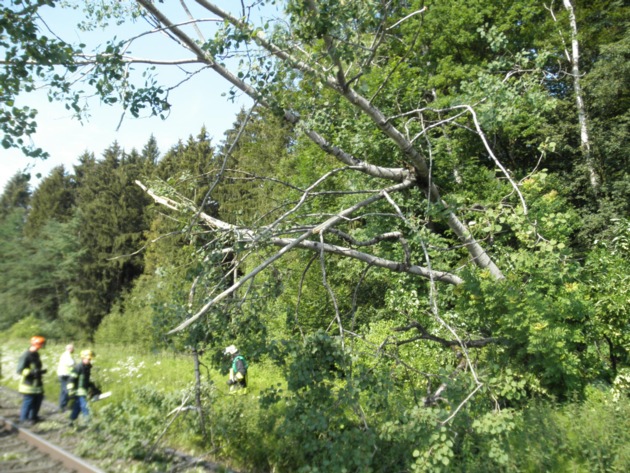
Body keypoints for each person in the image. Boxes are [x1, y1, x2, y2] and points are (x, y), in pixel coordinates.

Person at [16, 336, 47, 424]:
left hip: (37, 383)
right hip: (28, 383)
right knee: (28, 401)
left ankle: (33, 417)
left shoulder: (36, 354)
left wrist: (41, 371)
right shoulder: (25, 355)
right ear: (35, 344)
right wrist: (32, 372)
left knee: (38, 399)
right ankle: (23, 419)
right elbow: (19, 370)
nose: (40, 347)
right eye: (40, 345)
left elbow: (37, 367)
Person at [68, 349, 97, 425]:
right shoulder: (78, 367)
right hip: (78, 391)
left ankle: (71, 421)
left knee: (77, 407)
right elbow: (71, 378)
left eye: (90, 359)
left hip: (84, 390)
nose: (89, 360)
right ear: (83, 358)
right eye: (88, 359)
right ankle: (89, 423)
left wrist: (93, 387)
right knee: (85, 406)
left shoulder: (87, 367)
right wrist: (70, 390)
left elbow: (85, 380)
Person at [56, 344, 75, 412]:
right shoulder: (68, 355)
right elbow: (71, 364)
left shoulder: (64, 354)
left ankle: (62, 406)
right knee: (67, 391)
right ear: (70, 349)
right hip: (65, 375)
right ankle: (63, 406)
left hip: (62, 374)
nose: (74, 350)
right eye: (73, 348)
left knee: (63, 391)